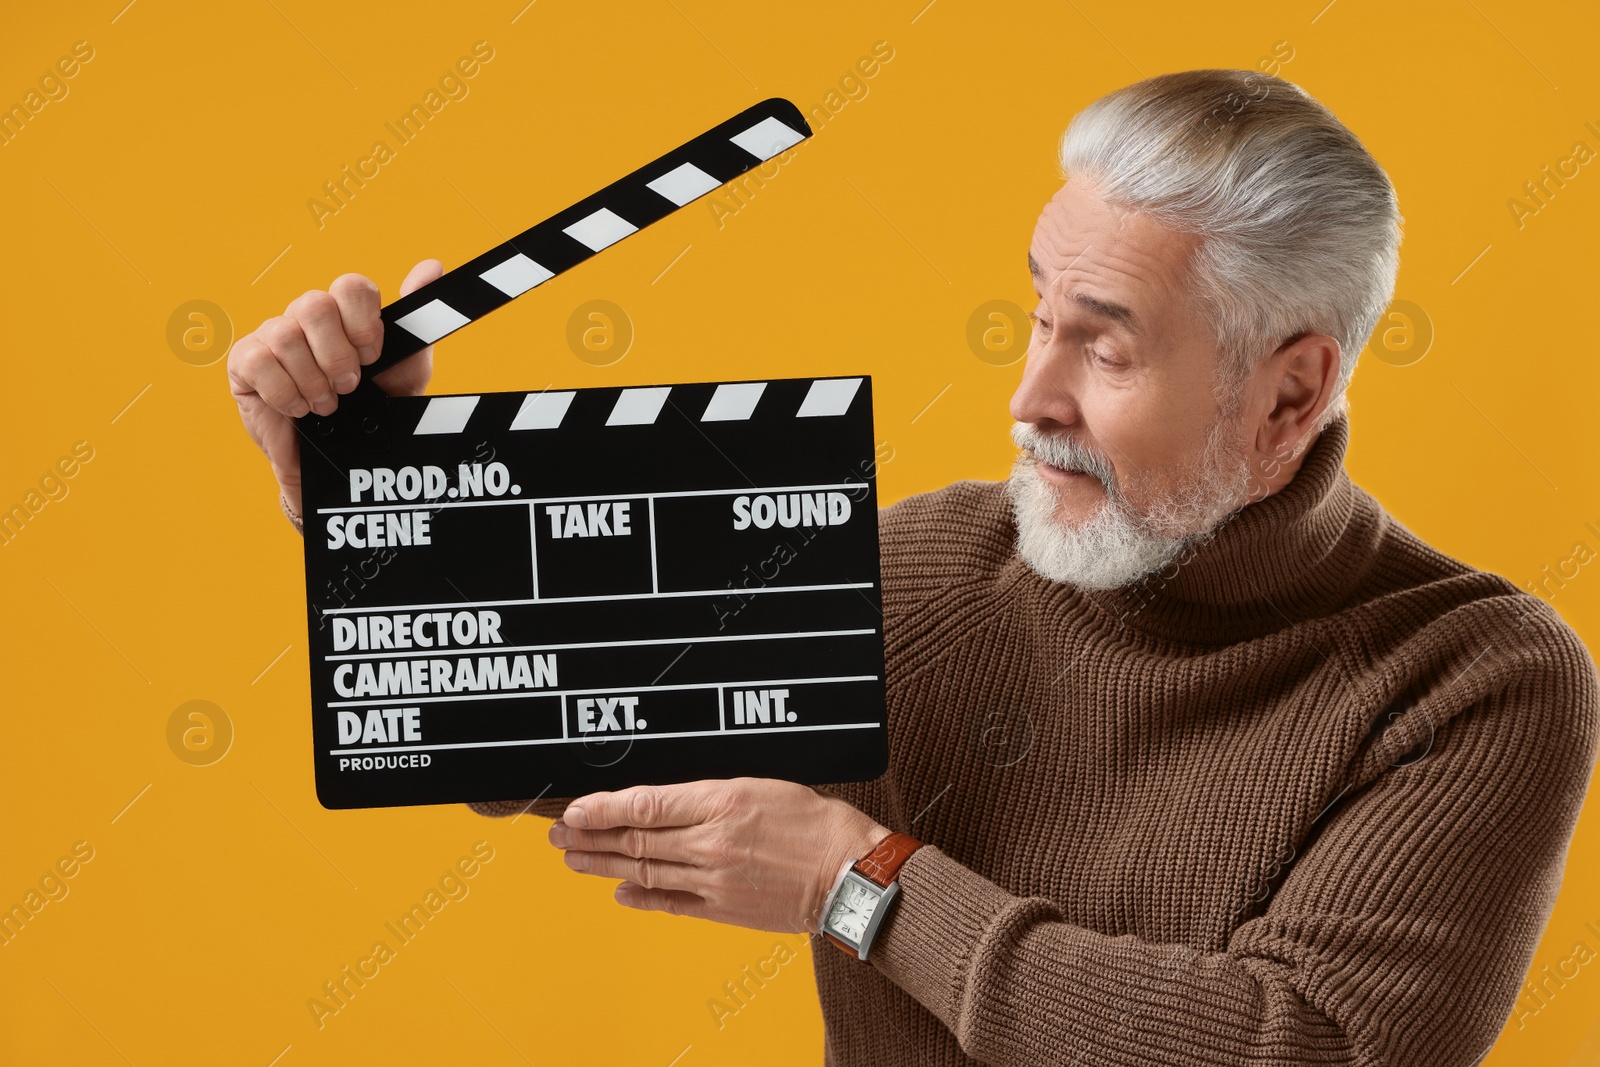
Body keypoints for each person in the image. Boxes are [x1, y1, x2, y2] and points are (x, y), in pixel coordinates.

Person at [229, 69, 1599, 1066]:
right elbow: (549, 723)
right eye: (1036, 317)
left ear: (1291, 398)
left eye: (1105, 346)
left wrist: (862, 882)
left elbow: (1300, 1049)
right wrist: (375, 489)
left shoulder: (1473, 676)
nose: (1032, 396)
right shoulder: (946, 566)